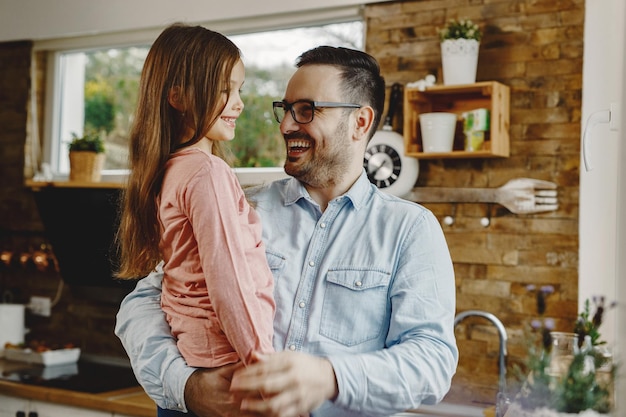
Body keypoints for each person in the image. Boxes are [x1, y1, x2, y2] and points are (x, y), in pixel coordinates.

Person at [116, 45, 458, 417]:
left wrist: (330, 376)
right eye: (286, 109)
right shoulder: (242, 206)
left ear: (360, 122)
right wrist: (185, 385)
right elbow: (143, 304)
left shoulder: (410, 230)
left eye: (307, 110)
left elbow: (432, 362)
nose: (286, 125)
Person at [115, 23, 275, 416]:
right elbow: (231, 284)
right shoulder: (207, 173)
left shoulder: (170, 169)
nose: (238, 103)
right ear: (179, 97)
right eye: (225, 90)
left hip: (194, 361)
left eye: (239, 90)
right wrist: (267, 374)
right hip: (229, 370)